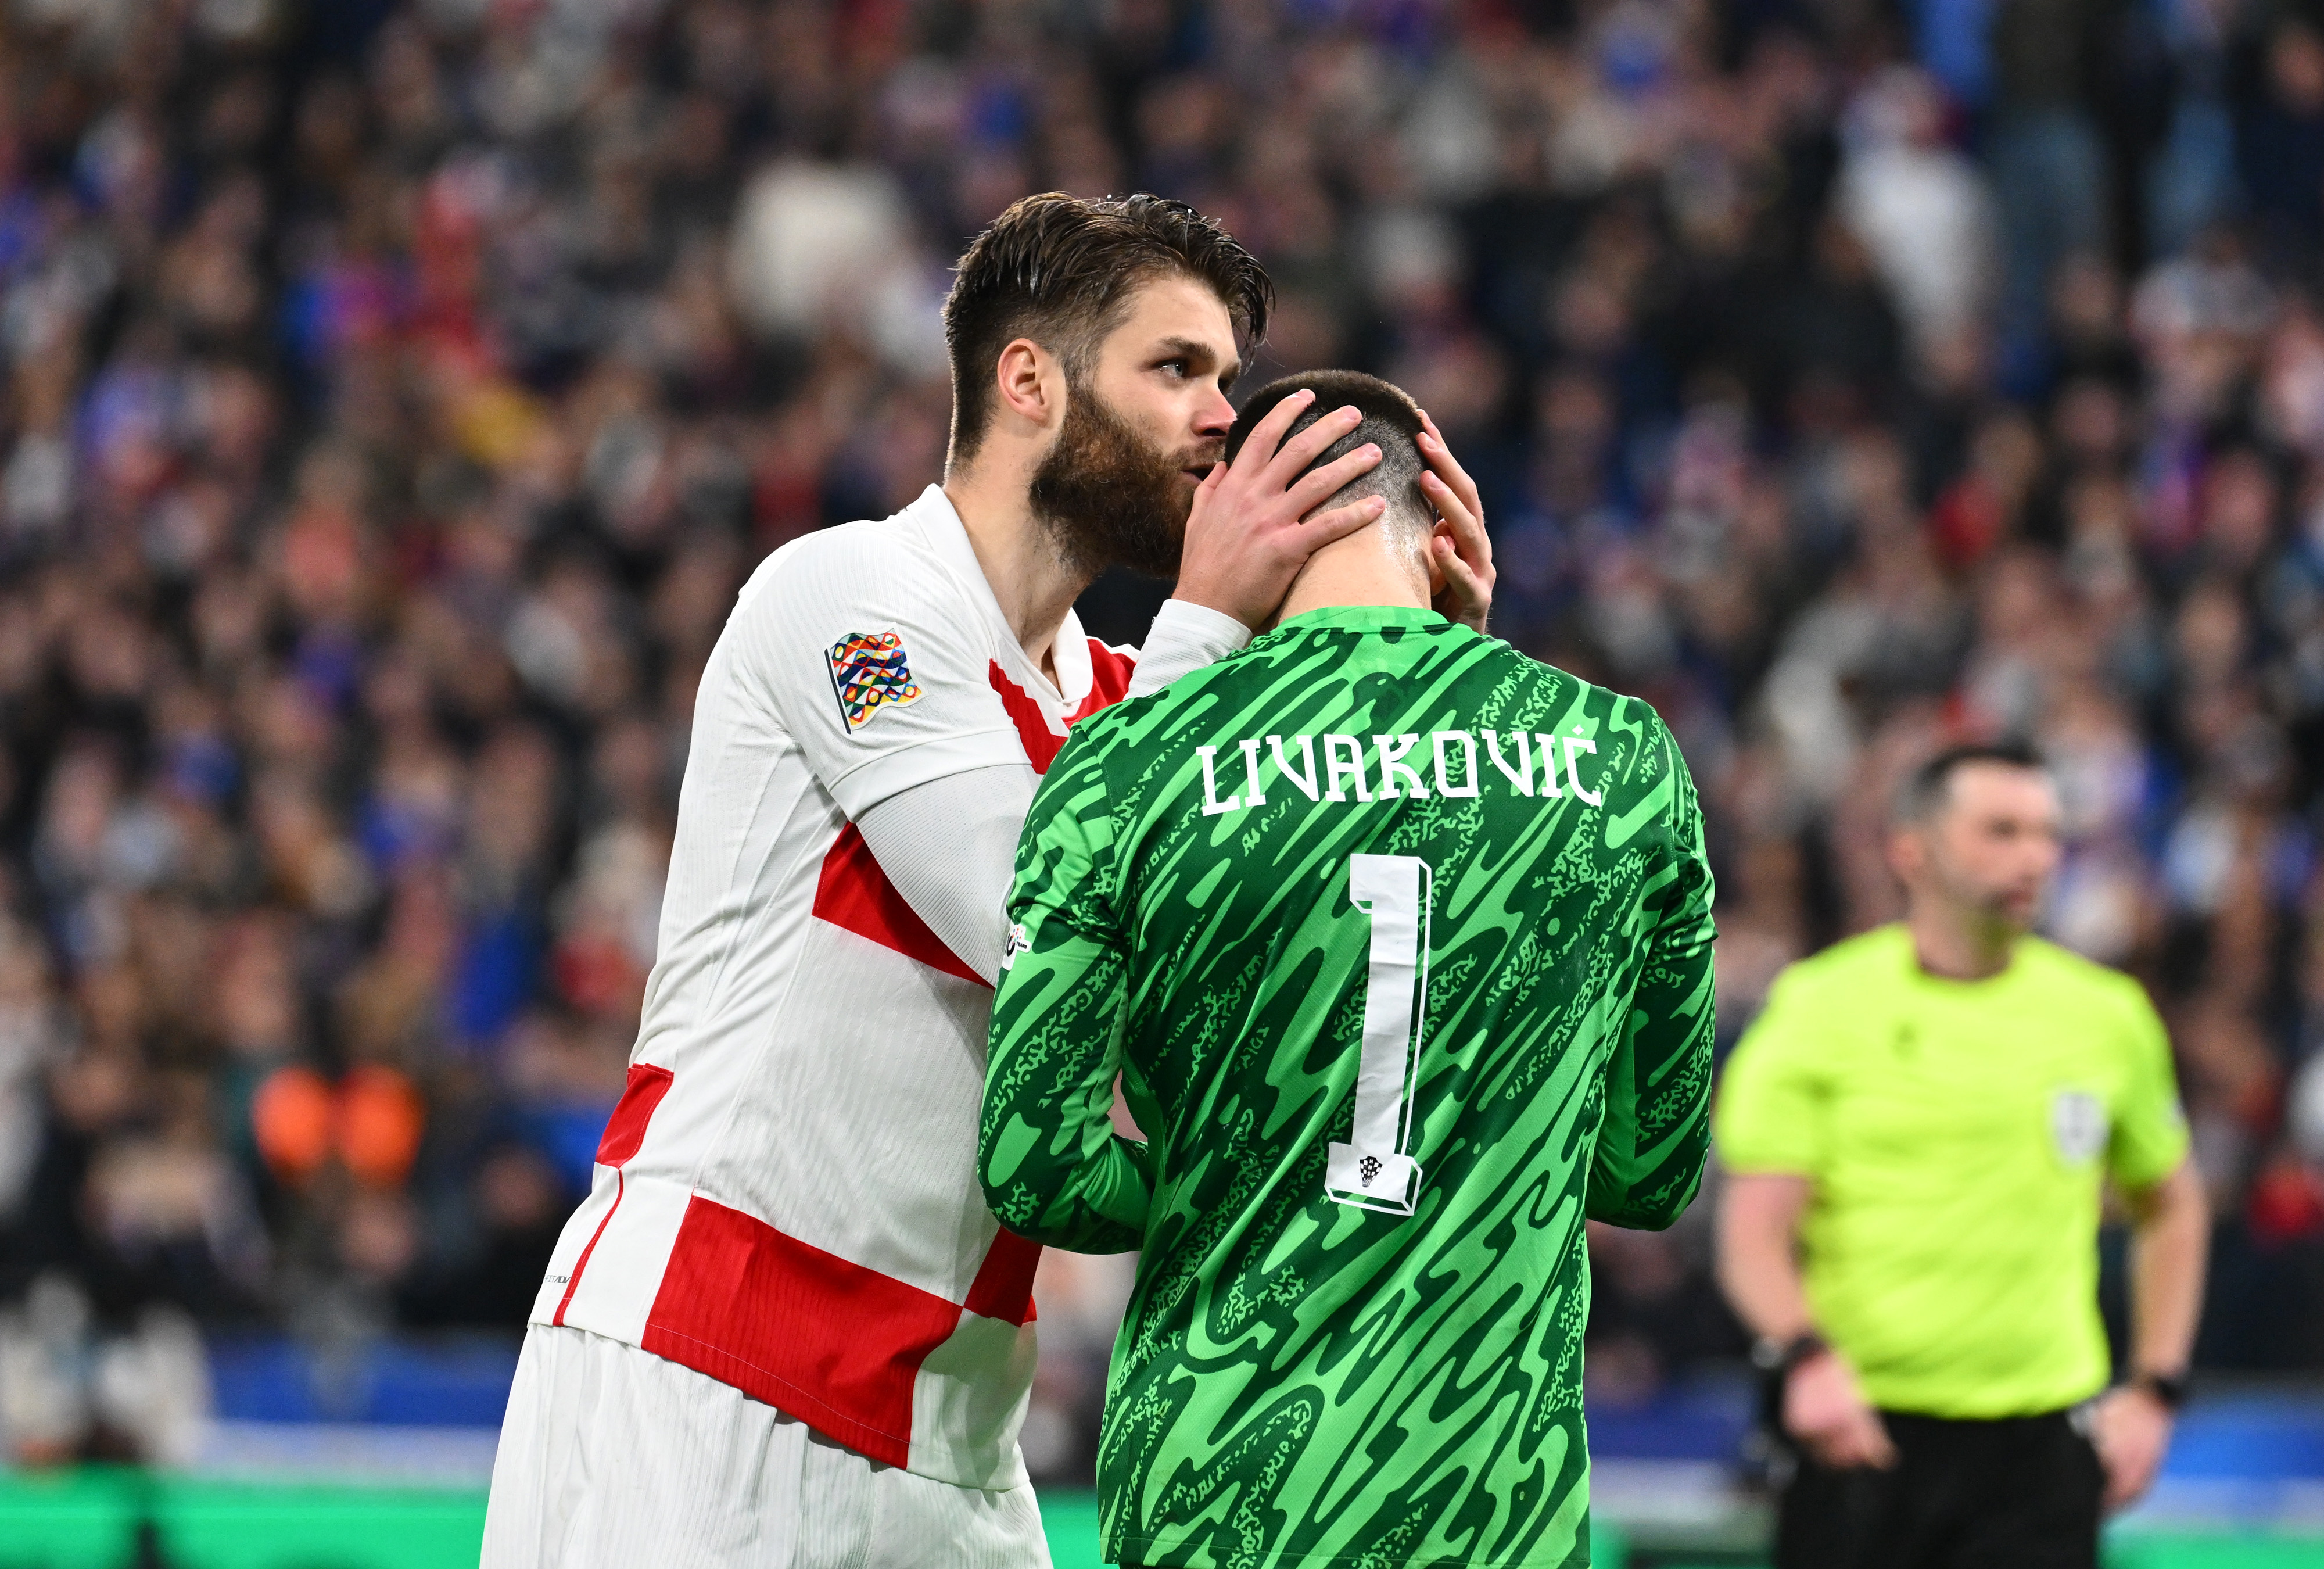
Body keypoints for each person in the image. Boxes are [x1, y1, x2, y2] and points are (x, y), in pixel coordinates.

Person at [478, 195, 1495, 1568]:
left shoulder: (1136, 707)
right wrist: (1205, 623)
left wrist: (1427, 674)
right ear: (1028, 381)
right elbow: (1031, 918)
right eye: (1176, 368)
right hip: (710, 1382)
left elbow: (1344, 965)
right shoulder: (847, 598)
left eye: (1227, 379)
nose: (1220, 419)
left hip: (953, 1434)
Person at [978, 369, 1715, 1568]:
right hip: (1492, 1505)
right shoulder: (1623, 759)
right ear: (1444, 530)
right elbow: (1648, 1171)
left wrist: (1225, 1177)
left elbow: (1038, 1171)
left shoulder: (1125, 765)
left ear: (1226, 527)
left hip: (1216, 1494)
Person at [1715, 741, 2210, 1569]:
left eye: (2048, 834)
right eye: (2001, 831)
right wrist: (1804, 1358)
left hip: (2039, 1451)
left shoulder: (2106, 1017)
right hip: (1861, 1433)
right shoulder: (1819, 1009)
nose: (2035, 858)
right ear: (1912, 850)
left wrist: (2157, 1390)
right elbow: (1755, 1231)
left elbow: (2173, 1203)